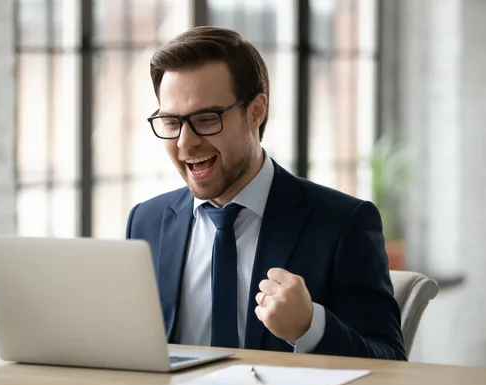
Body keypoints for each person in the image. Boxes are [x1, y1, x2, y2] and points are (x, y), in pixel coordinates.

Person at [125, 26, 406, 360]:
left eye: (206, 118)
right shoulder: (146, 220)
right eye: (172, 123)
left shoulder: (343, 224)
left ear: (255, 112)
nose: (186, 142)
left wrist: (310, 327)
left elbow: (389, 362)